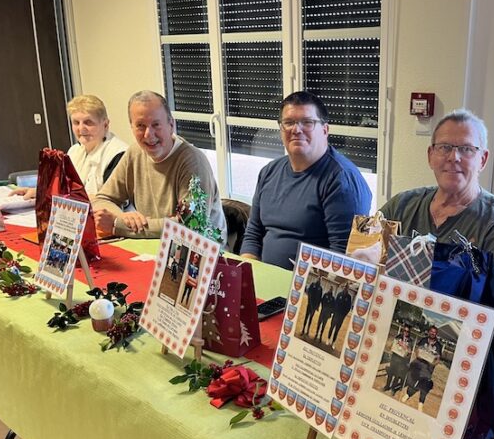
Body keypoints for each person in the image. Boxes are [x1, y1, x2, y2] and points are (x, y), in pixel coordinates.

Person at [379, 109, 494, 323]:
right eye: (444, 147)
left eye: (466, 149)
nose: (453, 157)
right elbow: (365, 270)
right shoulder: (400, 206)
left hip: (464, 342)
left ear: (482, 159)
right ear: (430, 155)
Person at [239, 91, 372, 269]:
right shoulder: (268, 172)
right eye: (288, 123)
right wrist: (248, 276)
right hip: (263, 282)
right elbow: (253, 234)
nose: (296, 129)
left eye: (307, 122)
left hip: (308, 291)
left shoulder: (341, 180)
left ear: (325, 130)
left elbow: (343, 258)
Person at [93, 90, 225, 240]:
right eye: (140, 126)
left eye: (156, 125)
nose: (149, 134)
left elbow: (191, 225)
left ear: (171, 125)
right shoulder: (134, 153)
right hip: (153, 245)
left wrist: (120, 225)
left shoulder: (193, 162)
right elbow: (102, 199)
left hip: (200, 253)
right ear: (132, 127)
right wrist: (124, 218)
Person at [11, 95, 128, 199]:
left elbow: (108, 200)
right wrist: (39, 192)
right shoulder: (74, 151)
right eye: (76, 122)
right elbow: (62, 189)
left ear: (106, 124)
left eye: (88, 122)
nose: (81, 129)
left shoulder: (119, 154)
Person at [401, 325, 443, 411]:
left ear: (436, 334)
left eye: (434, 332)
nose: (432, 333)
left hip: (428, 368)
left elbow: (438, 359)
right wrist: (418, 355)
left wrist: (433, 363)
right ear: (429, 332)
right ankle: (408, 395)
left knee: (424, 386)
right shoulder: (423, 340)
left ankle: (420, 404)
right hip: (418, 365)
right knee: (413, 381)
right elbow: (417, 349)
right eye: (431, 331)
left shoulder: (438, 345)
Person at [383, 323, 413, 395]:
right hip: (394, 357)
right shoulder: (398, 336)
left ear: (409, 332)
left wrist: (403, 345)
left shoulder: (410, 341)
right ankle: (387, 386)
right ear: (403, 330)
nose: (405, 332)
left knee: (397, 375)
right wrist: (391, 346)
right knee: (390, 373)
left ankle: (393, 389)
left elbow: (409, 351)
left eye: (407, 331)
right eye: (404, 330)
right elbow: (393, 345)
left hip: (402, 360)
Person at [327, 283, 353, 348]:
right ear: (343, 287)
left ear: (348, 288)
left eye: (347, 287)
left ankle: (333, 342)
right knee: (331, 328)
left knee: (337, 330)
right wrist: (333, 312)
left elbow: (348, 308)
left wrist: (343, 316)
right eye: (345, 287)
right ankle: (328, 339)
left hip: (341, 317)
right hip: (335, 315)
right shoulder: (339, 294)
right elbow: (335, 304)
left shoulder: (349, 297)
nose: (345, 288)